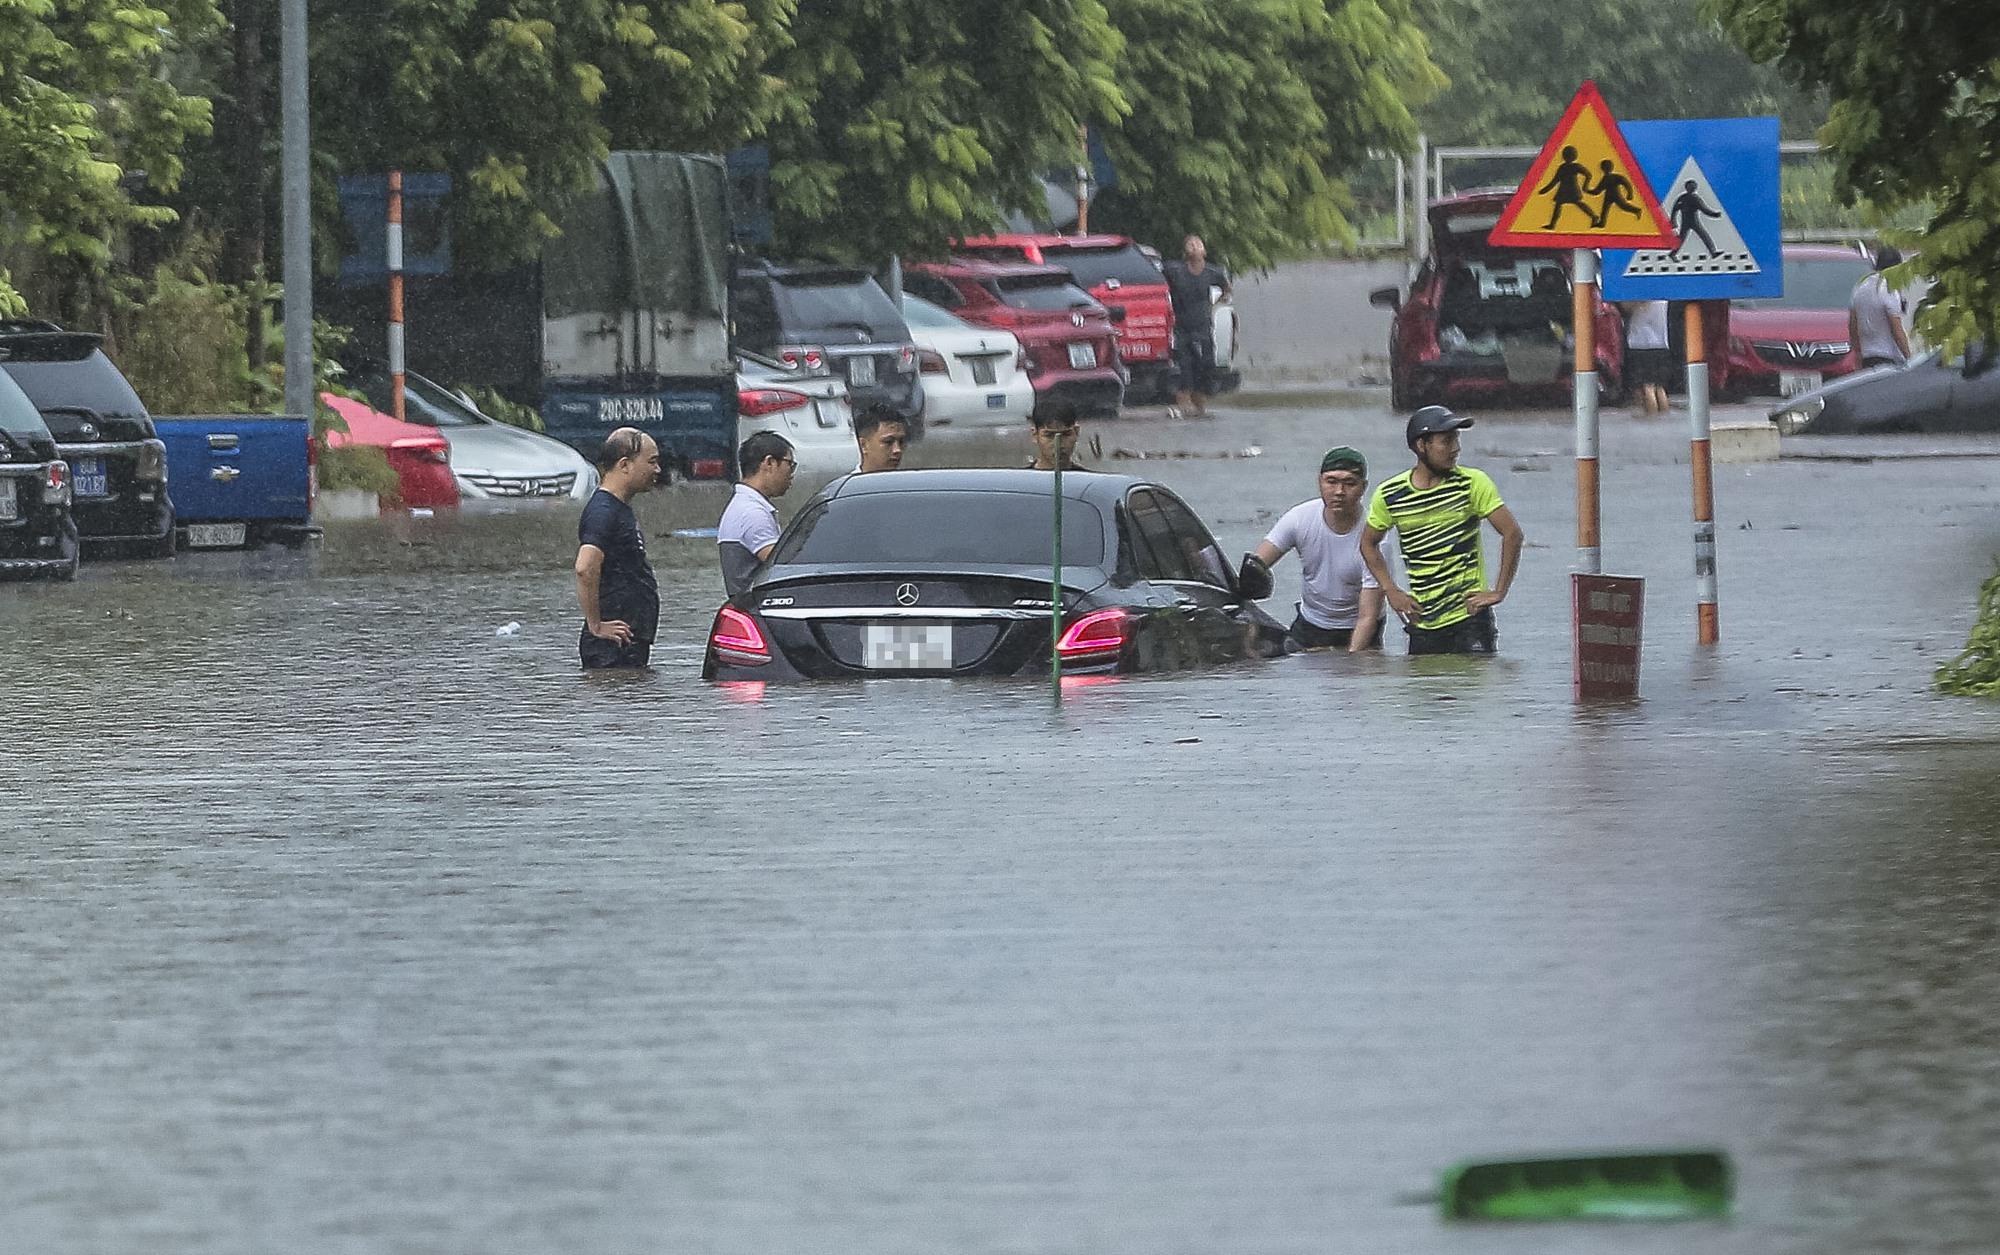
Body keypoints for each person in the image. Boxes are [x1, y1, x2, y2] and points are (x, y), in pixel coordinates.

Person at [1359, 406, 1524, 655]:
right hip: (1422, 620)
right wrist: (1391, 591)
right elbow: (1368, 544)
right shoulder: (1390, 494)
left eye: (1456, 440)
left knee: (1478, 689)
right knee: (1427, 689)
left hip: (1470, 619)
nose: (1455, 448)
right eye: (1446, 441)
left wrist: (1499, 591)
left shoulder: (1472, 483)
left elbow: (1512, 534)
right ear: (1421, 445)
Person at [1251, 446, 1384, 652]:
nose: (1339, 492)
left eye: (1349, 483)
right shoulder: (1299, 518)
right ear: (1320, 482)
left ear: (1363, 487)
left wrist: (1352, 659)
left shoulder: (1375, 536)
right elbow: (1255, 566)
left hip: (1359, 628)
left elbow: (1368, 616)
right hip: (1310, 625)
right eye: (1331, 482)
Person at [574, 427, 663, 669]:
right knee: (616, 704)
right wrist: (596, 626)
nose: (658, 470)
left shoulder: (618, 508)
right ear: (625, 465)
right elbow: (584, 568)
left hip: (626, 639)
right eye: (652, 462)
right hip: (611, 645)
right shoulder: (604, 511)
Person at [718, 430, 795, 597]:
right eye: (790, 464)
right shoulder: (752, 513)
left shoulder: (742, 505)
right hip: (757, 609)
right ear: (769, 463)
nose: (792, 474)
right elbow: (785, 566)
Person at [1162, 234, 1231, 417]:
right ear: (1185, 251)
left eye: (1198, 244)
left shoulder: (1212, 272)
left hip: (1203, 328)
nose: (1194, 246)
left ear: (1204, 251)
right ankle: (1183, 407)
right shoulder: (1175, 271)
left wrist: (1219, 302)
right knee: (1184, 368)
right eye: (1190, 244)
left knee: (1205, 367)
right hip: (1181, 328)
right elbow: (1159, 282)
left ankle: (1200, 408)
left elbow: (1226, 288)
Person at [1850, 244, 1912, 370]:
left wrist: (1858, 353)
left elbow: (1852, 325)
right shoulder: (1888, 289)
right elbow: (1897, 330)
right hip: (1889, 357)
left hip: (1867, 357)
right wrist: (1909, 358)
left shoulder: (1860, 287)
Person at [1623, 299, 1672, 414]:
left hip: (1641, 343)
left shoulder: (1641, 291)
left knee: (1647, 388)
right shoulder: (1662, 291)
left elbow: (1627, 307)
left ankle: (1650, 419)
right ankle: (1664, 422)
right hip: (1661, 344)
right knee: (1660, 388)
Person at [1026, 400, 1092, 471]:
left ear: (1076, 432)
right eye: (1049, 435)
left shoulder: (1090, 480)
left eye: (1066, 435)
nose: (1058, 443)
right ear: (1035, 435)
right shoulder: (1020, 480)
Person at [1538, 146, 1593, 230]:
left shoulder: (1575, 166)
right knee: (1559, 205)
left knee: (1579, 204)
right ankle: (1552, 225)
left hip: (1572, 190)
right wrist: (1544, 190)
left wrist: (1585, 186)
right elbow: (1555, 180)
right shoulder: (1562, 167)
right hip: (1563, 191)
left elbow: (1588, 174)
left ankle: (1594, 216)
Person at [854, 405, 909, 473]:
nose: (898, 450)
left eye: (901, 442)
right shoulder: (850, 483)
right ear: (863, 445)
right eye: (888, 442)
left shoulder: (910, 482)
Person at [1589, 160, 1642, 228]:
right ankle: (1602, 223)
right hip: (1608, 196)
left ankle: (1637, 210)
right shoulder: (1606, 178)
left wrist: (1630, 193)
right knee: (1605, 209)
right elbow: (1598, 190)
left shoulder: (1613, 177)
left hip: (1616, 195)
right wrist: (1589, 191)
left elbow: (1625, 183)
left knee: (1623, 206)